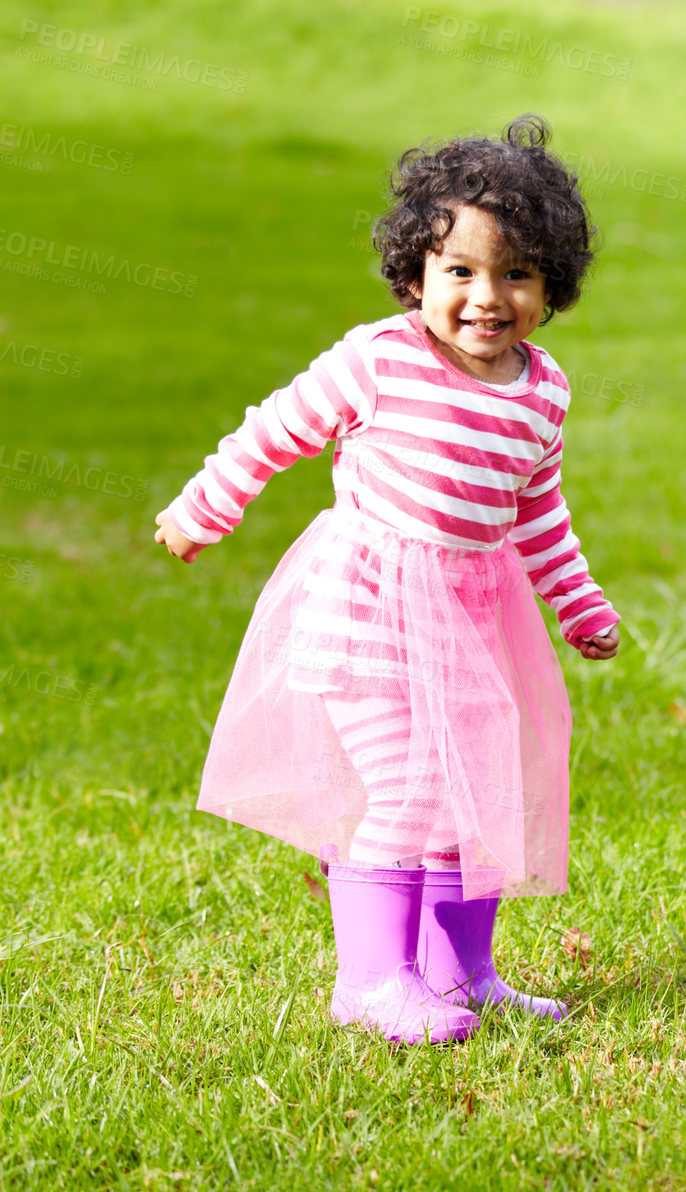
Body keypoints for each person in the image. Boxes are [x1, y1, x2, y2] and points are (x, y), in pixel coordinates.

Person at [153, 114, 620, 1044]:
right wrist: (204, 508)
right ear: (416, 275)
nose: (487, 297)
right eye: (461, 272)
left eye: (516, 274)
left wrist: (578, 600)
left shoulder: (543, 390)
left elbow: (537, 511)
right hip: (367, 606)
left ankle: (461, 972)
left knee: (475, 784)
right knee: (410, 783)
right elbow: (273, 429)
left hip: (476, 617)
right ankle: (371, 981)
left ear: (552, 286)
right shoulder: (381, 359)